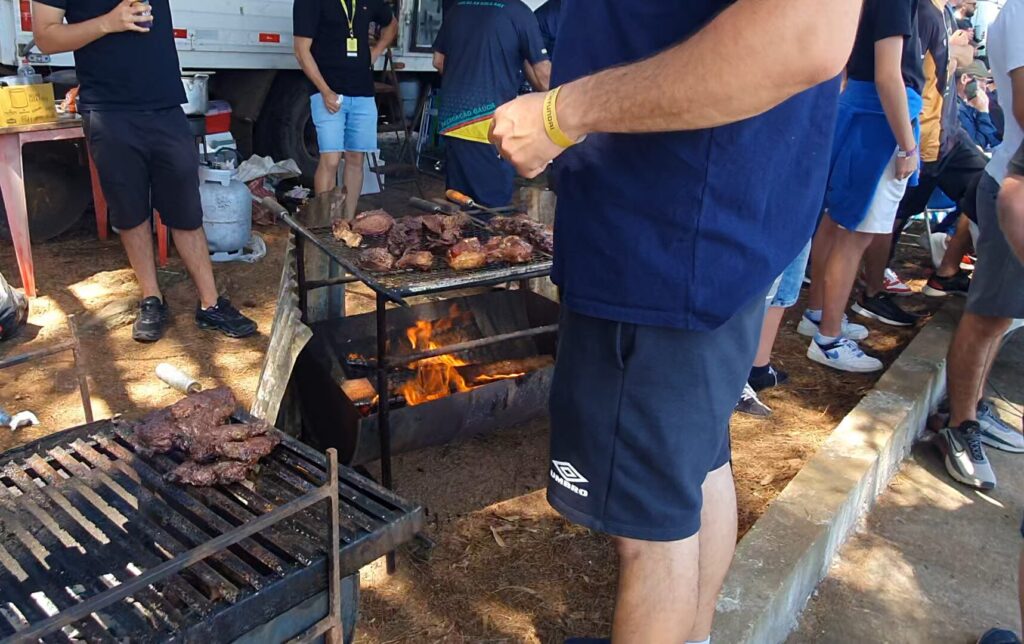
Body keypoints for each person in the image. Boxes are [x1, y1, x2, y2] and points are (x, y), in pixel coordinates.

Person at [489, 0, 859, 640]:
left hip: (661, 244)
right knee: (697, 466)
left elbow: (805, 32)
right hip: (702, 241)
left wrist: (561, 113)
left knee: (648, 537)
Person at [32, 0, 257, 343]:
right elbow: (46, 37)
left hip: (165, 104)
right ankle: (151, 299)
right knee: (130, 209)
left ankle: (210, 305)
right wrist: (108, 22)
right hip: (109, 109)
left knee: (185, 208)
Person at [803, 0, 924, 373]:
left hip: (860, 109)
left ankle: (819, 313)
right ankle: (828, 337)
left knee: (836, 221)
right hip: (879, 123)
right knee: (854, 235)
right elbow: (889, 75)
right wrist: (908, 144)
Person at [938, 0, 1023, 493]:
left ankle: (972, 410)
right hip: (1015, 180)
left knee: (1003, 315)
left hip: (1013, 177)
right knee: (989, 312)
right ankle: (959, 424)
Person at [859, 0, 986, 312]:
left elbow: (964, 58)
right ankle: (871, 292)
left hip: (950, 136)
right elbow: (900, 72)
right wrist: (907, 145)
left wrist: (954, 55)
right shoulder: (920, 11)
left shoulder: (942, 13)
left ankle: (946, 272)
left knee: (985, 192)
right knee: (893, 216)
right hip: (922, 135)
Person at [432, 0, 551, 210]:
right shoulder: (519, 12)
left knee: (458, 206)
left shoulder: (457, 9)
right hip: (489, 126)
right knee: (490, 211)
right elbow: (544, 79)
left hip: (452, 122)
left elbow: (439, 61)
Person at [293, 0, 397, 218]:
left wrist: (377, 50)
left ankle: (348, 221)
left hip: (362, 91)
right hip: (327, 92)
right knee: (330, 159)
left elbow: (391, 24)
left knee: (355, 158)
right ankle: (324, 224)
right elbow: (302, 51)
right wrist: (325, 91)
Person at [957, 64, 1002, 149]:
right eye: (981, 81)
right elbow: (977, 146)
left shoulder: (971, 107)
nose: (984, 87)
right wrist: (983, 112)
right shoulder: (958, 110)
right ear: (964, 79)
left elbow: (993, 140)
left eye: (986, 82)